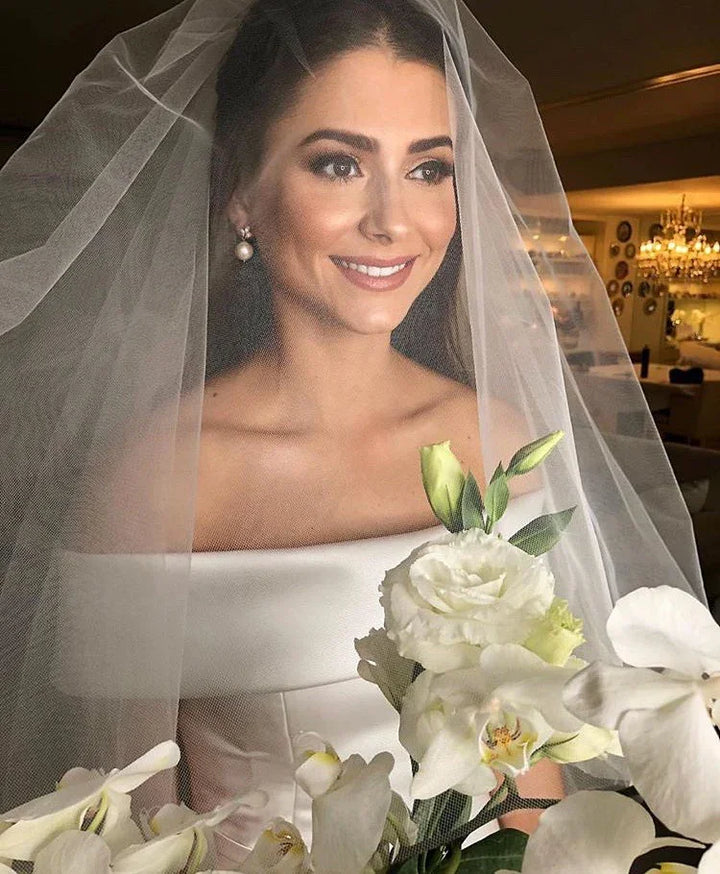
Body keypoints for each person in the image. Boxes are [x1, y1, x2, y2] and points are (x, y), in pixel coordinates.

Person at [0, 0, 706, 864]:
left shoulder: (495, 441)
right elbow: (121, 825)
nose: (392, 221)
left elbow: (529, 775)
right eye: (338, 163)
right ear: (240, 193)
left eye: (428, 168)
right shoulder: (159, 477)